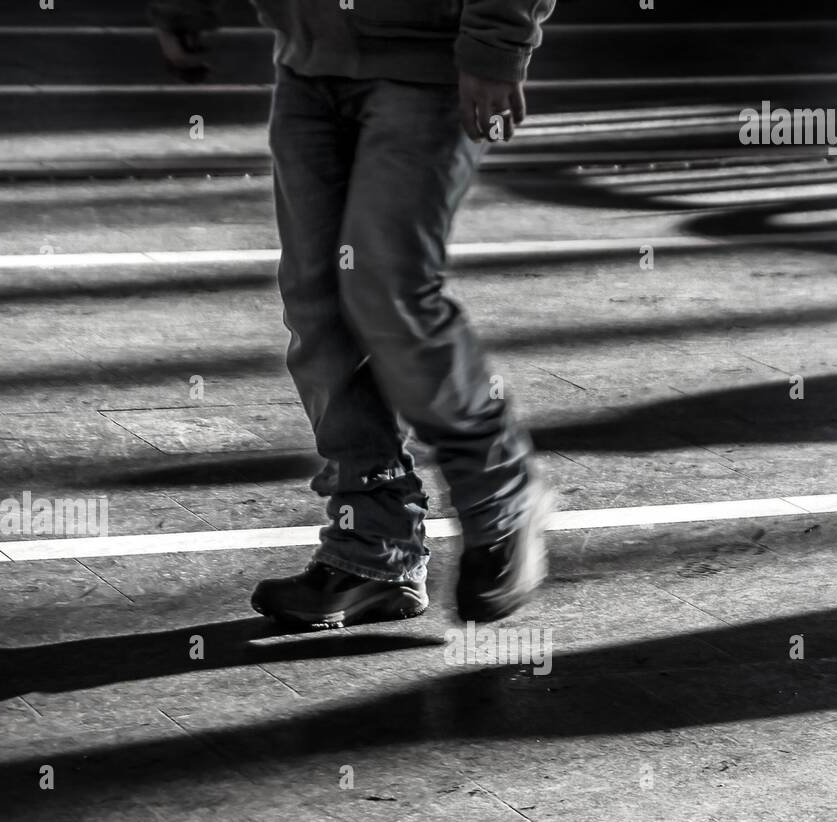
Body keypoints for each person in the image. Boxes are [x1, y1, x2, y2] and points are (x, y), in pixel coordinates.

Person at [150, 0, 558, 629]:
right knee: (318, 306)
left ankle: (499, 492)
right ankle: (376, 549)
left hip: (432, 63)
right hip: (308, 56)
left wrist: (497, 45)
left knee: (385, 287)